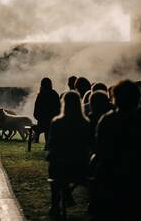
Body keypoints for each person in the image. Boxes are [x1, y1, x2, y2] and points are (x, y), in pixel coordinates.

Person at [92, 80, 141, 220]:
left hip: (109, 178)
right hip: (135, 179)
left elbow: (100, 152)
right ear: (138, 99)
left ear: (115, 98)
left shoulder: (107, 120)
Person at [47, 91, 91, 219]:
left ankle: (55, 205)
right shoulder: (85, 123)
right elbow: (89, 144)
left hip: (61, 167)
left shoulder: (57, 122)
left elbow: (51, 144)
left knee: (54, 166)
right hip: (80, 167)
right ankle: (67, 194)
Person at [33, 77, 61, 147]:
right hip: (52, 121)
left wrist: (40, 118)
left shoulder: (40, 95)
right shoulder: (54, 94)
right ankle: (48, 144)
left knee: (43, 125)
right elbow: (58, 108)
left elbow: (36, 111)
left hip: (42, 121)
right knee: (48, 127)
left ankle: (37, 138)